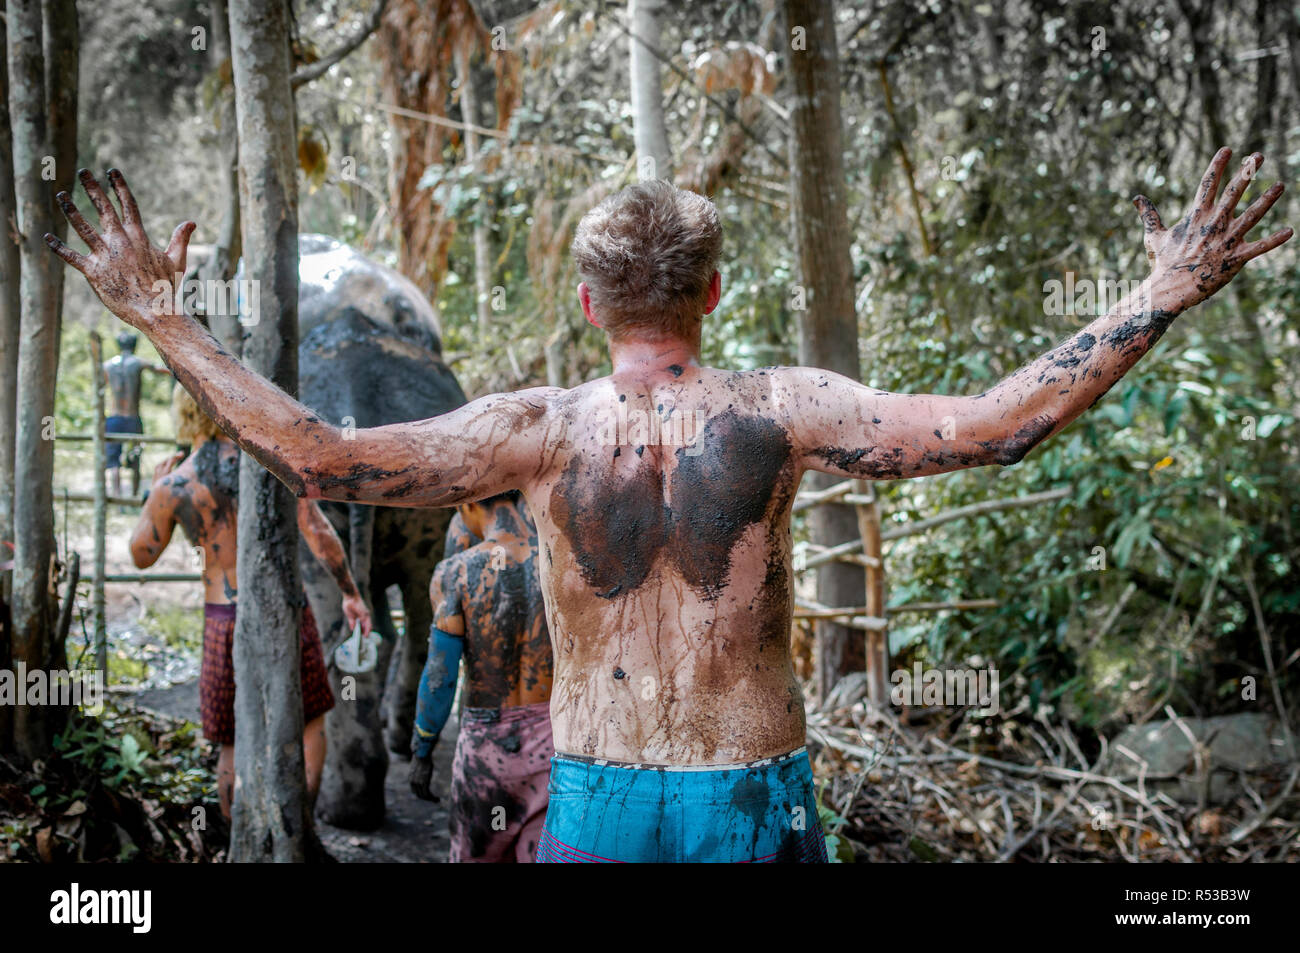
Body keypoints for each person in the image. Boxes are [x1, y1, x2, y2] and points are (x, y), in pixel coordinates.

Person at [49, 153, 1290, 861]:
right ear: (710, 289)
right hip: (748, 783)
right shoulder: (783, 405)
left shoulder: (533, 428)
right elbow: (998, 424)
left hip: (596, 787)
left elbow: (315, 452)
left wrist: (163, 316)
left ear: (590, 306)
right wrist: (1162, 287)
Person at [129, 385, 372, 819]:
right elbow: (319, 535)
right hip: (287, 610)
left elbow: (141, 556)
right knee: (310, 722)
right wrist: (350, 594)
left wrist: (152, 493)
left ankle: (239, 834)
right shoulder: (269, 466)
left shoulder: (174, 484)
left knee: (230, 740)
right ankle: (298, 828)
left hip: (222, 617)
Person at [408, 492, 552, 863]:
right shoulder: (559, 560)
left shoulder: (456, 572)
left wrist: (423, 747)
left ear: (469, 506)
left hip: (487, 750)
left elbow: (440, 675)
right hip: (554, 744)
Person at [103, 330, 169, 498]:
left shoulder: (107, 366)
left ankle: (117, 495)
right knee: (135, 458)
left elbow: (100, 387)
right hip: (132, 418)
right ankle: (133, 496)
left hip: (114, 418)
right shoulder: (139, 363)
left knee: (114, 461)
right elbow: (161, 370)